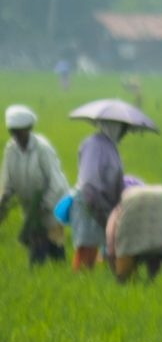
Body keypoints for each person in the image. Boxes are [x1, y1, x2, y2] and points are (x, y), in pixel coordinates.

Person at [0, 104, 71, 265]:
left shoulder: (42, 148)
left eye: (20, 131)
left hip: (52, 207)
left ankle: (57, 276)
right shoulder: (11, 149)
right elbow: (7, 181)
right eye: (13, 132)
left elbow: (57, 182)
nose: (17, 136)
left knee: (53, 249)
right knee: (40, 250)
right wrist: (3, 200)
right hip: (31, 210)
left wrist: (44, 205)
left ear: (29, 128)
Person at [71, 118, 127, 270]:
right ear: (114, 126)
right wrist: (99, 209)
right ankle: (80, 281)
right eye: (123, 128)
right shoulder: (94, 145)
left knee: (102, 246)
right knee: (86, 247)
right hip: (90, 202)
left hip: (103, 202)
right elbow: (90, 182)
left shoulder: (110, 146)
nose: (125, 133)